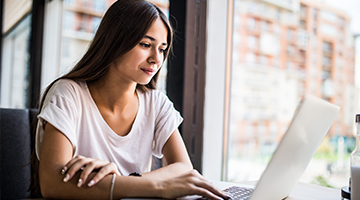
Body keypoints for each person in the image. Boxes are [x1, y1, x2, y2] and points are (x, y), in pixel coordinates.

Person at [35, 0, 230, 199]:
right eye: (146, 45)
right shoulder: (69, 93)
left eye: (162, 49)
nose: (156, 58)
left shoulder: (156, 103)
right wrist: (156, 186)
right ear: (115, 41)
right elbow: (51, 183)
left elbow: (182, 168)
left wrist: (122, 180)